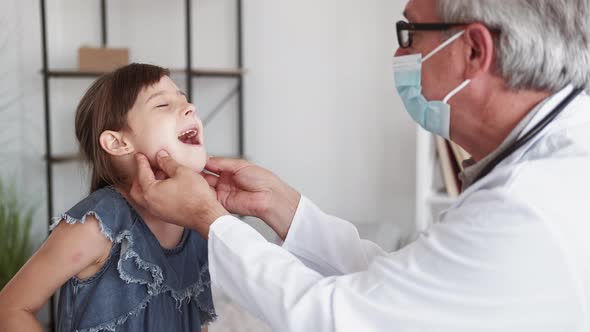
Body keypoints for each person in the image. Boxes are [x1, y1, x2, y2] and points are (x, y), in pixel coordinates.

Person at [133, 0, 590, 330]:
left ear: (473, 50)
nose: (400, 55)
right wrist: (284, 207)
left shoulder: (527, 206)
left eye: (411, 33)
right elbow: (402, 288)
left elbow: (339, 318)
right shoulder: (539, 172)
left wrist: (211, 222)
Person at [0, 64, 216, 331]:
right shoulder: (94, 227)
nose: (190, 107)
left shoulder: (196, 220)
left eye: (184, 99)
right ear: (117, 143)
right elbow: (11, 308)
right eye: (163, 105)